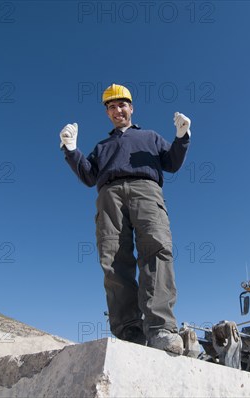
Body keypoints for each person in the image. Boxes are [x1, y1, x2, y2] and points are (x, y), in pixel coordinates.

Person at [59, 83, 191, 355]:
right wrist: (71, 150)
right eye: (111, 107)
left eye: (122, 105)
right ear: (107, 113)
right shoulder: (102, 146)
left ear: (131, 107)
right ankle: (129, 329)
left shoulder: (151, 137)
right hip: (109, 194)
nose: (117, 110)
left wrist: (182, 137)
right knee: (113, 257)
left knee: (156, 250)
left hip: (146, 189)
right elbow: (88, 176)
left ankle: (161, 328)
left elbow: (172, 163)